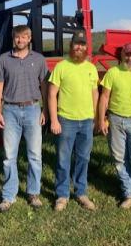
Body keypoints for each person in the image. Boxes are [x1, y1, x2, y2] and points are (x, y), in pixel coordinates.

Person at [0, 25, 49, 213]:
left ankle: (33, 193)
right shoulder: (3, 59)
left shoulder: (39, 60)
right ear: (13, 39)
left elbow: (44, 86)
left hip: (32, 108)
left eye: (24, 37)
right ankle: (9, 196)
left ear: (30, 39)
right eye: (17, 37)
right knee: (9, 157)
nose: (20, 40)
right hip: (10, 110)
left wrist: (45, 110)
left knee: (35, 155)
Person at [48, 30, 99, 212]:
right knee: (63, 159)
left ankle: (81, 192)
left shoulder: (91, 68)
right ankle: (62, 195)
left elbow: (95, 93)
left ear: (86, 47)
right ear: (71, 46)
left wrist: (96, 117)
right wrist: (54, 120)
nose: (79, 47)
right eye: (76, 44)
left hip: (86, 120)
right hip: (66, 120)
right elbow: (52, 94)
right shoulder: (62, 66)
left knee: (83, 158)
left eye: (82, 44)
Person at [98, 43, 131, 209]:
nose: (130, 58)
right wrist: (101, 119)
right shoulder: (113, 72)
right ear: (122, 55)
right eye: (127, 54)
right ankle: (129, 193)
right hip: (116, 119)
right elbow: (104, 97)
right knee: (119, 158)